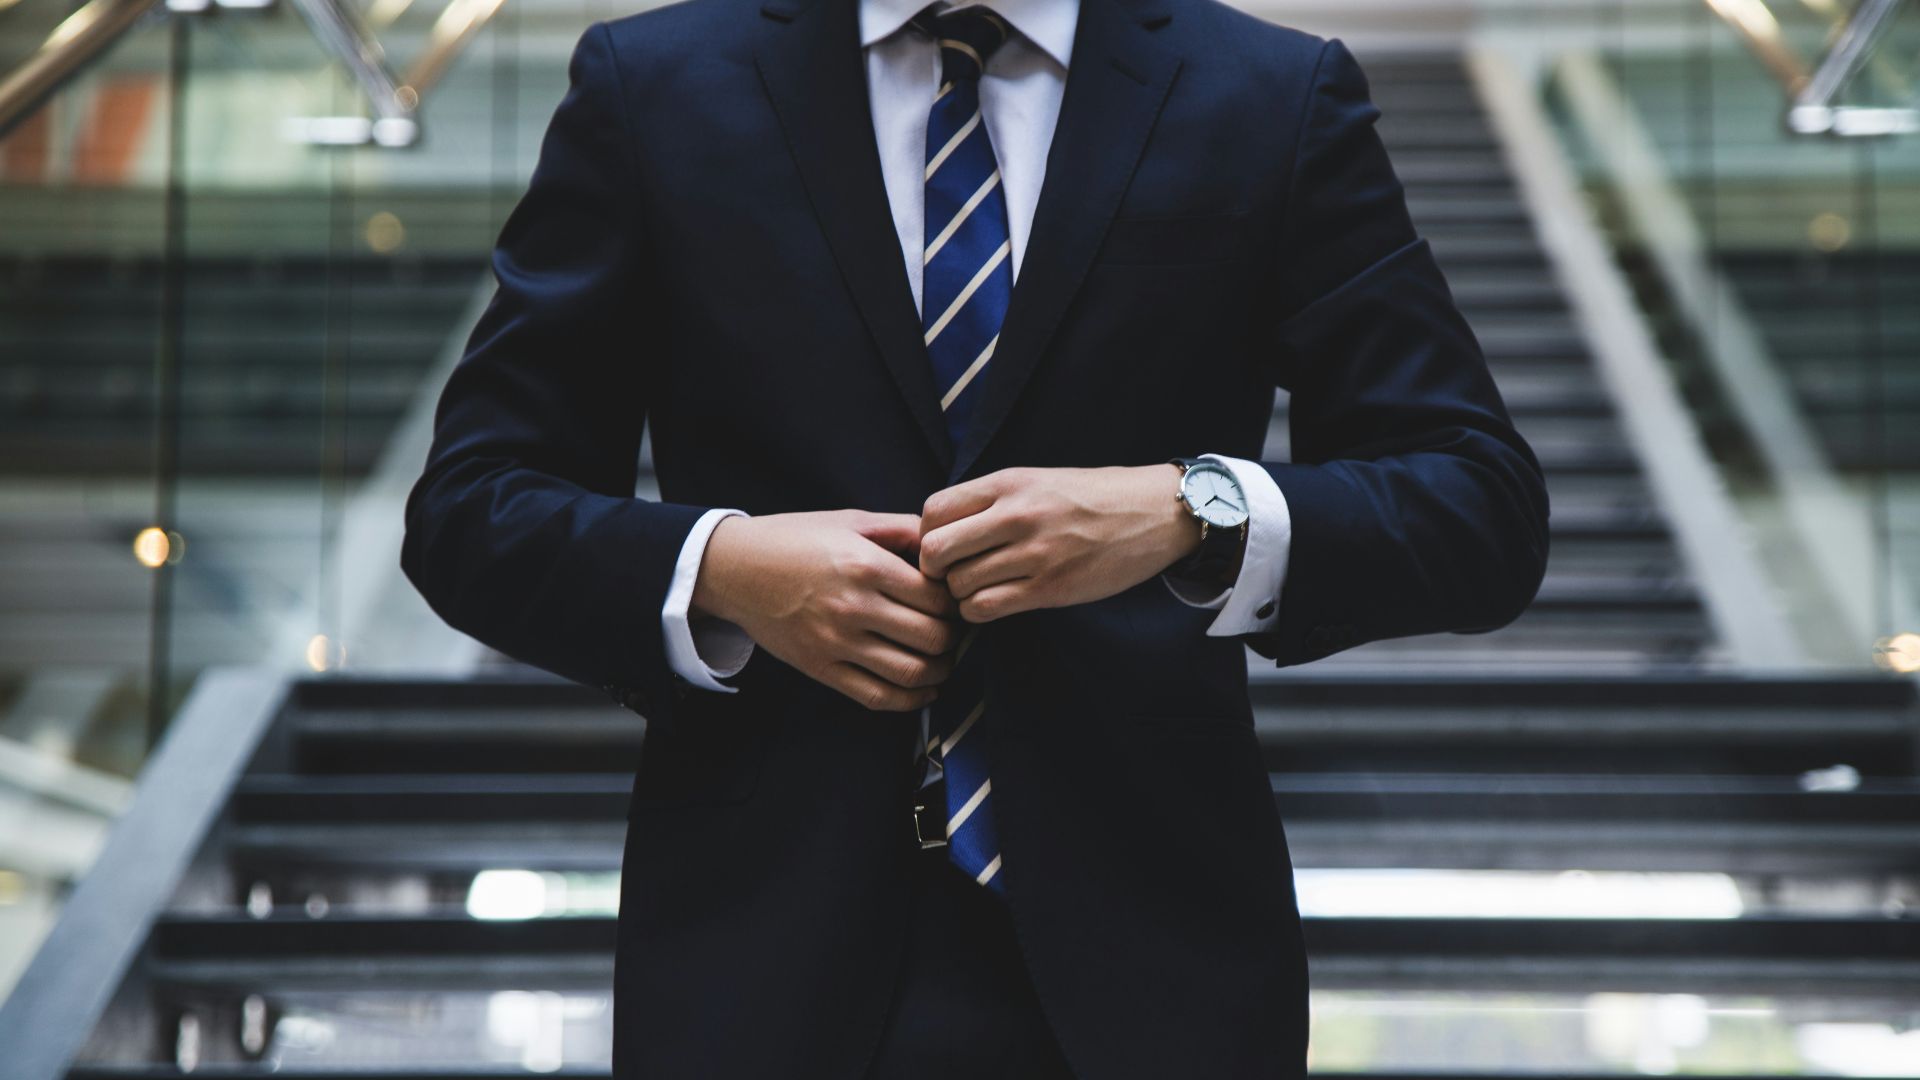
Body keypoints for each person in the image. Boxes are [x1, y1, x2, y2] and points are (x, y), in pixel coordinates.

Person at [400, 0, 1549, 1073]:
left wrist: (1191, 509)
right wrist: (725, 571)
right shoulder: (654, 84)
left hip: (1159, 967)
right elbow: (471, 507)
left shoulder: (1270, 93)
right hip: (756, 956)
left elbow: (1478, 503)